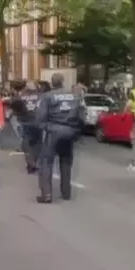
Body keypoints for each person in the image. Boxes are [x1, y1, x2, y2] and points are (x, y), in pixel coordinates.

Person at [35, 73, 85, 203]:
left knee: (46, 162)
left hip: (53, 131)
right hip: (69, 131)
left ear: (52, 83)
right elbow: (81, 116)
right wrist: (76, 131)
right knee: (66, 161)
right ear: (63, 81)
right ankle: (66, 192)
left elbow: (41, 116)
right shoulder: (75, 95)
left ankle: (46, 194)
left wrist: (46, 127)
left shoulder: (47, 96)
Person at [10, 80, 42, 173]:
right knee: (36, 144)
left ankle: (30, 163)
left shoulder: (20, 96)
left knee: (27, 144)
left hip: (25, 122)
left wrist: (18, 116)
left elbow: (14, 106)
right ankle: (34, 162)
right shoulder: (41, 95)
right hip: (36, 122)